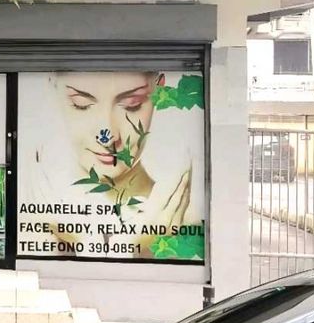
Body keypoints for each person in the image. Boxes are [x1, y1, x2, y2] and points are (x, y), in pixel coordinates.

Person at [18, 71, 201, 259]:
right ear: (52, 88)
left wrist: (126, 244)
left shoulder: (187, 231)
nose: (107, 137)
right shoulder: (31, 226)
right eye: (81, 104)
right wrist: (87, 239)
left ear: (159, 90)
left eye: (132, 105)